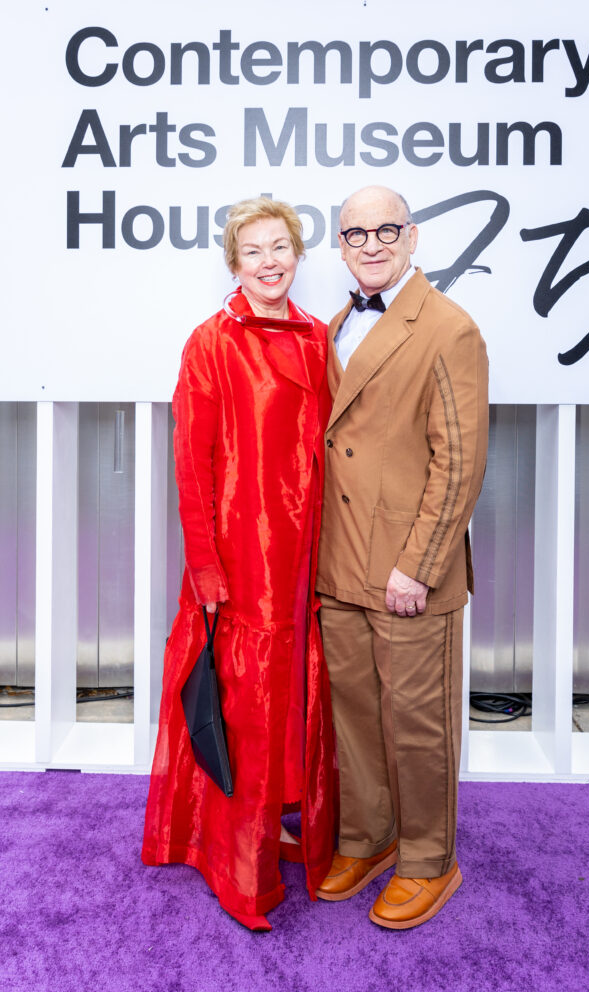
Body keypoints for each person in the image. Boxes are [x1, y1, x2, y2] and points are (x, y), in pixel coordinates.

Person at [142, 197, 336, 932]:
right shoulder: (210, 342)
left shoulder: (319, 338)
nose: (268, 261)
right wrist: (206, 570)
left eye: (280, 246)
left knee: (294, 699)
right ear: (233, 263)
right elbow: (190, 464)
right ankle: (236, 858)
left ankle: (284, 822)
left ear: (298, 254)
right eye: (252, 251)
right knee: (242, 710)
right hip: (241, 558)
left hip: (304, 558)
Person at [315, 185, 488, 929]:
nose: (372, 243)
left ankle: (427, 858)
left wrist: (417, 564)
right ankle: (368, 836)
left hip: (406, 569)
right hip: (338, 563)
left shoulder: (448, 328)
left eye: (387, 229)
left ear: (412, 237)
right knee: (353, 717)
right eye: (356, 233)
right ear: (342, 246)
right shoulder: (332, 325)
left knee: (416, 722)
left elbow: (460, 462)